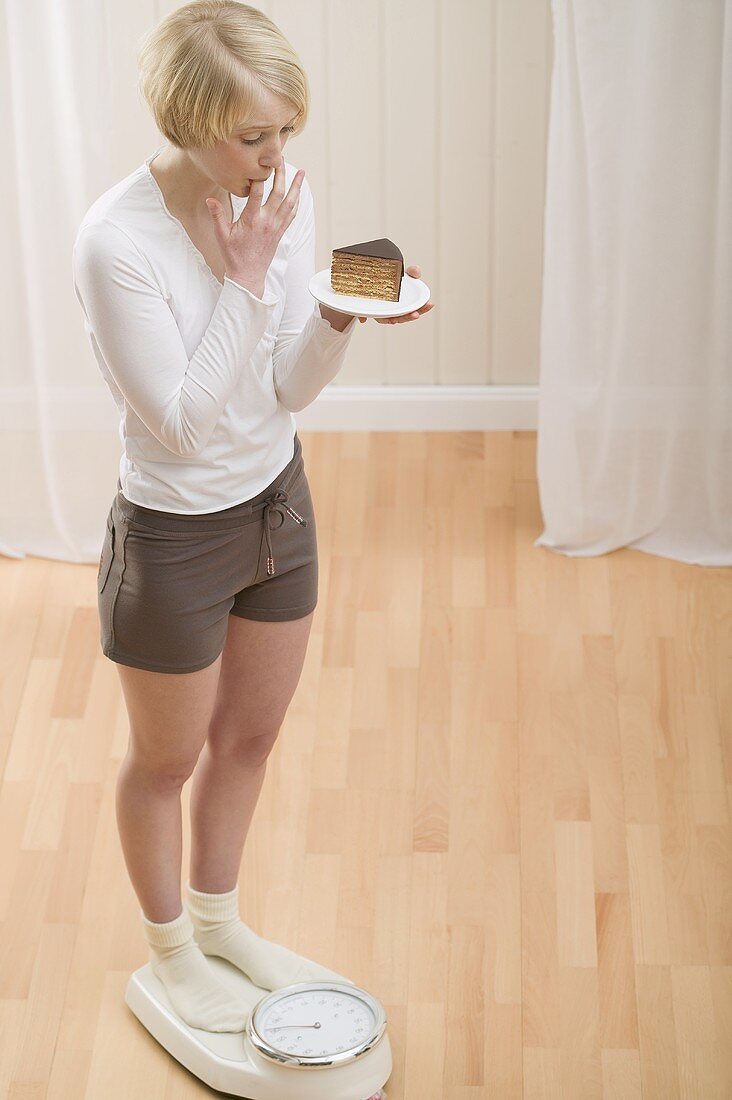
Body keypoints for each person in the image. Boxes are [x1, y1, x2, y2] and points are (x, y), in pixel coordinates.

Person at [72, 0, 431, 1034]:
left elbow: (285, 389)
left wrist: (334, 313)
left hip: (277, 502)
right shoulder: (116, 242)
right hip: (176, 532)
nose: (276, 159)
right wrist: (245, 273)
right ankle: (172, 948)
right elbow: (182, 425)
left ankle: (222, 922)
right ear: (188, 122)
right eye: (253, 135)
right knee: (166, 760)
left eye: (286, 131)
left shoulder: (277, 198)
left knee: (252, 735)